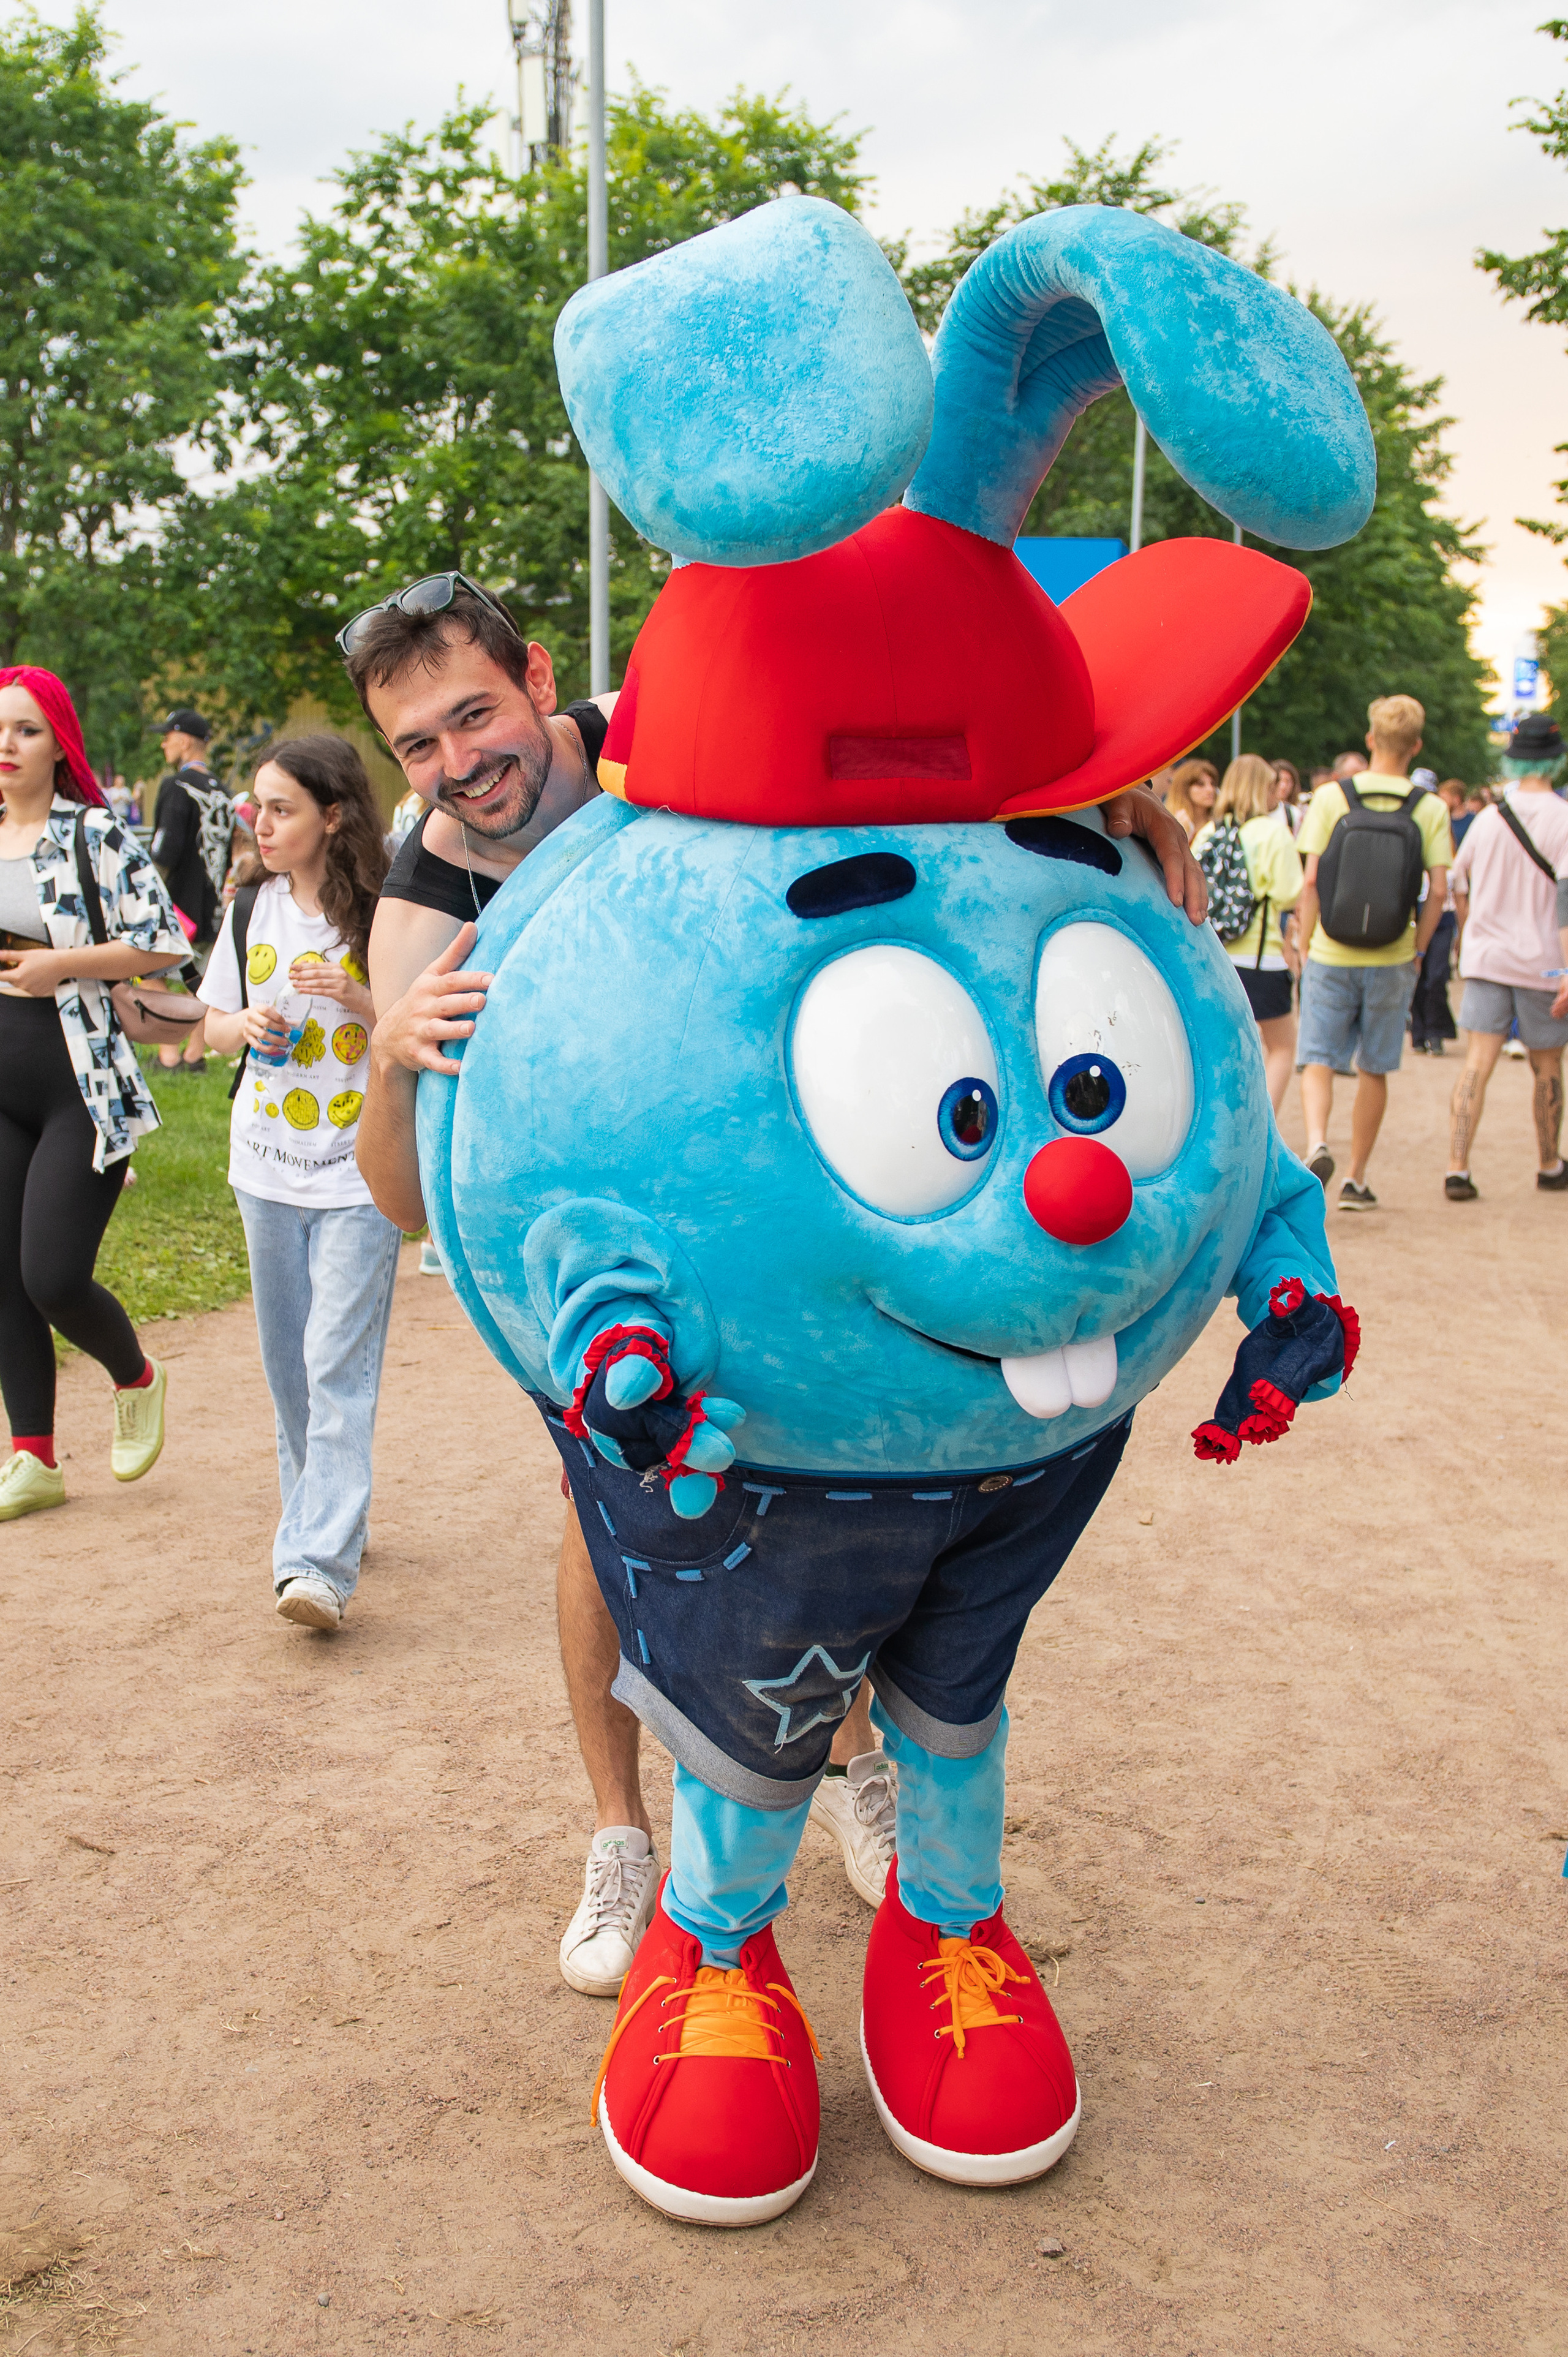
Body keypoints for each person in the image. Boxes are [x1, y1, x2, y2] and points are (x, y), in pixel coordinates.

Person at [342, 570, 1212, 1997]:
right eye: (418, 745)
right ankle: (623, 1831)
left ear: (536, 675)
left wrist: (1114, 808)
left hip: (799, 1185)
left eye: (473, 715)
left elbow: (927, 766)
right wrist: (392, 1053)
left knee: (850, 1495)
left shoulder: (660, 727)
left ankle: (853, 1757)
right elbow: (398, 1193)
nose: (457, 765)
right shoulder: (432, 878)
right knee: (608, 1515)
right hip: (623, 1256)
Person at [197, 737, 396, 1627]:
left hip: (360, 1171)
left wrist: (358, 997)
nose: (261, 824)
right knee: (289, 1371)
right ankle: (326, 1518)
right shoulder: (249, 908)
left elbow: (426, 1017)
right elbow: (206, 1025)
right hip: (264, 1165)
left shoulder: (388, 910)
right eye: (257, 807)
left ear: (335, 814)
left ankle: (314, 1562)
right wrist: (243, 1024)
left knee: (334, 1364)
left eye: (281, 808)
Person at [0, 666, 185, 1522]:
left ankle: (134, 1375)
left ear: (57, 743)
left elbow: (159, 944)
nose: (7, 745)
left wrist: (59, 964)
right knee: (3, 1277)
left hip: (79, 1085)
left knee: (51, 1275)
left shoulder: (95, 834)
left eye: (26, 730)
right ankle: (32, 1456)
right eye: (0, 729)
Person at [1292, 695, 1452, 1209]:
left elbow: (1312, 879)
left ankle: (1317, 1139)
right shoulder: (1430, 808)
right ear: (1416, 746)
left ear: (1370, 740)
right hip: (1392, 954)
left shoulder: (1331, 798)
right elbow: (1439, 891)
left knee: (1317, 1057)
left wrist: (1306, 943)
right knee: (1374, 1068)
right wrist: (1419, 951)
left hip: (1331, 950)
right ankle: (1357, 1179)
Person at [1442, 714, 1568, 1200]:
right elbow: (1565, 904)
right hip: (1542, 961)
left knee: (1477, 1062)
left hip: (1487, 957)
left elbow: (1458, 878)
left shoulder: (1491, 816)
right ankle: (1549, 1163)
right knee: (1548, 1066)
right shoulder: (1562, 818)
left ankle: (1457, 1167)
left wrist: (1475, 925)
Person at [1193, 753, 1304, 1111]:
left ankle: (1225, 1120)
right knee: (1282, 1046)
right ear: (1263, 788)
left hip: (1216, 958)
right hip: (1263, 959)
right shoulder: (1274, 833)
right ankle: (1263, 1124)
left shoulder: (1210, 832)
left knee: (1221, 1051)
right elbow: (1290, 893)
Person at [149, 707, 232, 1078]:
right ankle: (194, 1055)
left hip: (176, 904)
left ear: (184, 740)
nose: (164, 743)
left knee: (154, 972)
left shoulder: (176, 787)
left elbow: (164, 851)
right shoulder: (223, 792)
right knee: (199, 981)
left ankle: (169, 1054)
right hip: (211, 904)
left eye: (167, 736)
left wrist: (145, 895)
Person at [1410, 780, 1469, 1054]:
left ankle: (1436, 1032)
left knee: (1436, 977)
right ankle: (1419, 1033)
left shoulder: (1453, 861)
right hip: (1418, 919)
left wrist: (1463, 932)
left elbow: (1459, 897)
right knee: (1418, 978)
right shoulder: (1415, 857)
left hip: (1444, 922)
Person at [1162, 755, 1218, 840]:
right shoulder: (1170, 824)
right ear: (1184, 789)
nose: (1210, 790)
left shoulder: (1220, 826)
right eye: (1200, 784)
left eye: (1213, 784)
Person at [1270, 756, 1304, 834]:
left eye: (1288, 781)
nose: (1284, 786)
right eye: (1280, 780)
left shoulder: (1294, 813)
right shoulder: (1260, 811)